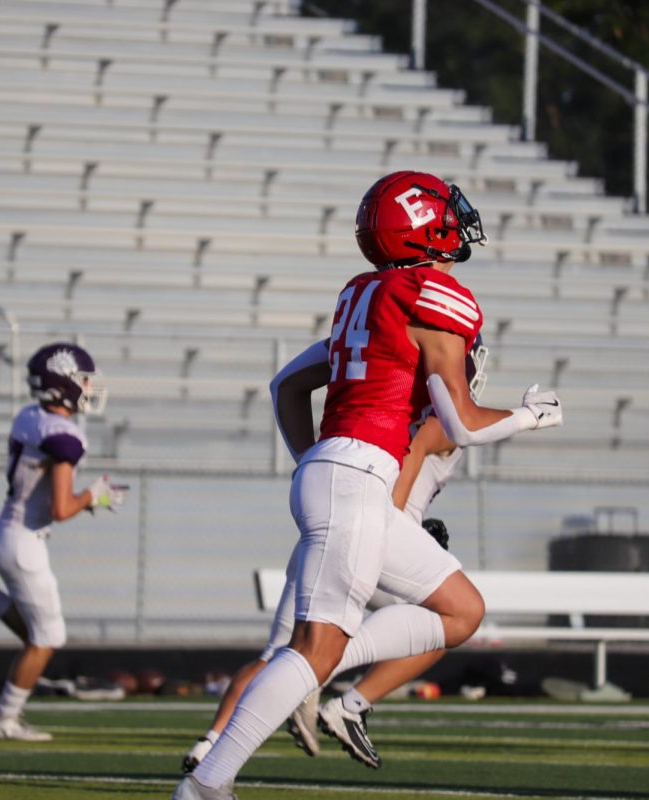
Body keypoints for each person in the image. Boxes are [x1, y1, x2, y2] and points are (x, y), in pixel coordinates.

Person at [173, 170, 563, 799]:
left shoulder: (364, 294)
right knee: (312, 650)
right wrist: (531, 415)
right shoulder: (434, 295)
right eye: (444, 211)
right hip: (356, 476)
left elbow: (286, 387)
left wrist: (314, 460)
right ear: (421, 224)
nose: (455, 222)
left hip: (347, 474)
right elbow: (461, 423)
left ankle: (294, 707)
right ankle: (207, 785)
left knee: (462, 611)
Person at [182, 336, 488, 772]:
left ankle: (210, 747)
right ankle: (350, 703)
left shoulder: (379, 393)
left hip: (331, 518)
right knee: (448, 620)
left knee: (282, 652)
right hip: (374, 538)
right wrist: (531, 416)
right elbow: (412, 462)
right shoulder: (435, 416)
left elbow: (287, 384)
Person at [0, 342, 126, 742]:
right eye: (82, 380)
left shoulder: (29, 416)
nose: (88, 387)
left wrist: (83, 500)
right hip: (24, 542)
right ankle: (3, 718)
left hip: (9, 531)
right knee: (48, 638)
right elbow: (63, 507)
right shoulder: (65, 434)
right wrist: (93, 496)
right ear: (61, 384)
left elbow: (45, 495)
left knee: (40, 634)